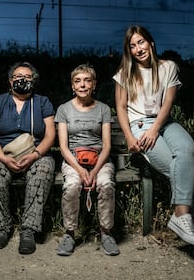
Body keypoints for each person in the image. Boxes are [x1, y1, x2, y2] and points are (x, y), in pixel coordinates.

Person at [113, 25, 194, 256]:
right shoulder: (124, 73)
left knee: (188, 150)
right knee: (176, 167)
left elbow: (168, 103)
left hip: (164, 122)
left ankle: (180, 215)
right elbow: (121, 109)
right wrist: (130, 137)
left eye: (141, 42)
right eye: (132, 46)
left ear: (151, 43)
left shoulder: (168, 67)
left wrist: (155, 129)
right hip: (139, 127)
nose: (138, 48)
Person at [0, 61, 56, 254]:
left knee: (44, 169)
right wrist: (3, 158)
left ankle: (29, 229)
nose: (22, 80)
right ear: (10, 80)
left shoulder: (42, 102)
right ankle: (3, 226)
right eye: (17, 77)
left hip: (36, 153)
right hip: (3, 153)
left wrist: (35, 155)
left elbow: (50, 134)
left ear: (34, 81)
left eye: (27, 77)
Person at [54, 64, 120, 256]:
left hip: (100, 159)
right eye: (78, 81)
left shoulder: (103, 109)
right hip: (74, 160)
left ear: (94, 84)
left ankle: (106, 232)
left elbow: (107, 145)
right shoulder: (64, 109)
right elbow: (64, 147)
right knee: (72, 186)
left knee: (106, 183)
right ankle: (69, 234)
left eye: (87, 80)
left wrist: (94, 170)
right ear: (73, 86)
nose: (82, 85)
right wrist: (81, 171)